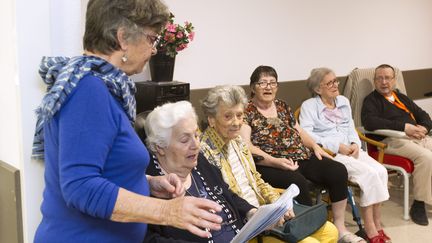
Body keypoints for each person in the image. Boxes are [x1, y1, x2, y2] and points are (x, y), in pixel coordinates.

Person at [32, 1, 222, 242]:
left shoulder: (101, 87)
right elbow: (81, 187)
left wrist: (147, 184)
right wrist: (168, 212)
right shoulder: (88, 90)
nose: (154, 50)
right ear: (123, 38)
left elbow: (104, 167)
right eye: (151, 39)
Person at [241, 65, 366, 243]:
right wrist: (275, 161)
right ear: (253, 87)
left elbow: (299, 131)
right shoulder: (247, 111)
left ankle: (339, 228)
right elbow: (247, 146)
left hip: (300, 156)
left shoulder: (282, 106)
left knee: (338, 170)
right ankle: (309, 231)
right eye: (262, 83)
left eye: (272, 83)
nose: (268, 87)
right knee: (297, 182)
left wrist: (316, 147)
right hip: (268, 163)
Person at [200, 85, 339, 243]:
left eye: (239, 115)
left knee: (330, 231)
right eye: (228, 116)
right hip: (243, 225)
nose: (236, 122)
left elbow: (256, 179)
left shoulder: (237, 141)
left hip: (264, 214)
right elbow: (221, 199)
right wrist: (258, 215)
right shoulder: (203, 153)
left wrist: (278, 205)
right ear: (211, 119)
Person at [143, 101, 257, 242]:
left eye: (196, 135)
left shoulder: (200, 162)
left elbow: (228, 194)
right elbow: (148, 239)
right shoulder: (146, 184)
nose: (196, 145)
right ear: (160, 146)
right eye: (185, 140)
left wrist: (250, 211)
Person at [300, 67, 391, 243]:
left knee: (381, 171)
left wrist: (356, 143)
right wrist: (336, 146)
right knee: (369, 174)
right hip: (332, 154)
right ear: (318, 89)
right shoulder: (309, 106)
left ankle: (377, 224)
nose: (335, 85)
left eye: (336, 81)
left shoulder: (343, 101)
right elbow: (307, 135)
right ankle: (370, 228)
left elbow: (351, 127)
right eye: (330, 83)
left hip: (352, 149)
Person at [361, 64, 432, 226]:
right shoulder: (371, 101)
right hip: (391, 140)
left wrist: (425, 127)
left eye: (387, 78)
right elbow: (370, 122)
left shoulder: (401, 97)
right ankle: (419, 204)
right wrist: (405, 128)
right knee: (426, 157)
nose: (384, 82)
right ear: (375, 81)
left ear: (394, 80)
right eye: (380, 78)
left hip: (417, 137)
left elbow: (424, 115)